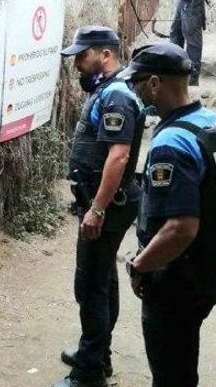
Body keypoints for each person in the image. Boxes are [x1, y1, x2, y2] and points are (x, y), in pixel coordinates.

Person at [121, 42, 216, 387]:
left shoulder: (171, 144)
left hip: (177, 280)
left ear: (155, 83)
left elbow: (180, 229)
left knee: (170, 372)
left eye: (137, 82)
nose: (134, 89)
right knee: (183, 359)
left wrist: (139, 265)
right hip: (210, 267)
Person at [55, 26, 145, 387]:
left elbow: (119, 156)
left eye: (82, 55)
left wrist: (97, 209)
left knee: (90, 283)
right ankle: (97, 353)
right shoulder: (108, 91)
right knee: (102, 277)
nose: (76, 63)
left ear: (105, 54)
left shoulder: (117, 97)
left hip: (108, 202)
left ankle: (90, 372)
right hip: (104, 200)